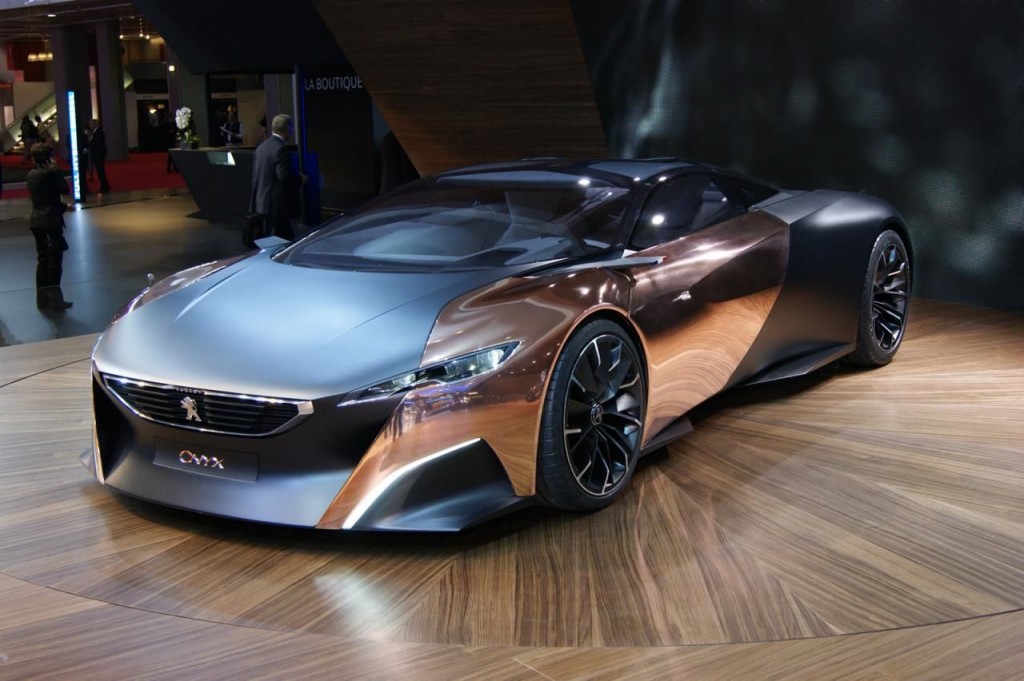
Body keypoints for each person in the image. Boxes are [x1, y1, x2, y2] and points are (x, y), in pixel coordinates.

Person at [26, 143, 72, 310]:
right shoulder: (49, 175)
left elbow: (43, 198)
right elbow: (64, 189)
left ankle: (42, 300)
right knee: (54, 262)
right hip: (50, 221)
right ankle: (55, 300)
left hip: (36, 221)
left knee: (42, 260)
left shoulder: (31, 174)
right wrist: (56, 172)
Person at [248, 113, 301, 242]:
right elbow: (284, 178)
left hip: (261, 205)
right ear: (287, 129)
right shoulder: (281, 149)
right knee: (282, 243)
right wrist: (300, 179)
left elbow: (256, 177)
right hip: (276, 208)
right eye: (291, 128)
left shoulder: (261, 148)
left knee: (269, 243)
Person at [88, 118, 111, 193]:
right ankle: (105, 185)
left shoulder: (98, 132)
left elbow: (99, 144)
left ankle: (104, 186)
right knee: (100, 171)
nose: (90, 126)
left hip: (98, 155)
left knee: (100, 171)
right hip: (97, 154)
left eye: (91, 124)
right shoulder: (96, 132)